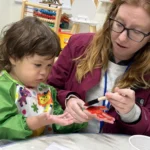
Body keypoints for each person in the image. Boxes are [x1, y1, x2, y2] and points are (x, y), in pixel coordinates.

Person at [48, 0, 150, 135]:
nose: (122, 38)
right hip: (68, 140)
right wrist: (68, 99)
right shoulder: (78, 45)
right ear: (110, 19)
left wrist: (133, 114)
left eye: (136, 31)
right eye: (119, 24)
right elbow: (48, 88)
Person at [0, 16, 87, 140]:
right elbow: (3, 127)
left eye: (49, 65)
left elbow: (58, 123)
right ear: (13, 57)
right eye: (38, 65)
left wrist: (78, 118)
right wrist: (33, 122)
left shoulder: (46, 91)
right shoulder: (3, 87)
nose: (44, 72)